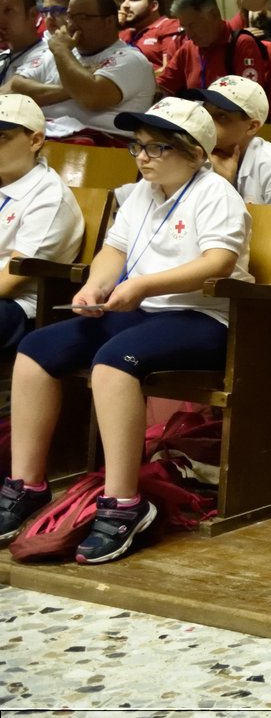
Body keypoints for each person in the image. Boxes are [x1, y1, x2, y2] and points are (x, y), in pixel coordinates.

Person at [0, 98, 252, 561]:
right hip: (137, 308)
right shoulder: (138, 192)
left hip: (201, 317)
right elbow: (113, 251)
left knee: (113, 363)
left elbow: (219, 262)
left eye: (158, 148)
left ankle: (122, 502)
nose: (144, 157)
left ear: (195, 152)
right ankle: (26, 483)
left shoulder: (216, 194)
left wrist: (143, 285)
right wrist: (95, 288)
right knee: (37, 350)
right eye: (138, 148)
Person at [0, 94, 86, 379]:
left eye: (2, 137)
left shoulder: (48, 196)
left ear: (35, 140)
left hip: (19, 309)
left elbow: (12, 280)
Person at [4, 0, 156, 145]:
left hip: (103, 149)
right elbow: (17, 87)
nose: (72, 25)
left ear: (109, 21)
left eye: (83, 17)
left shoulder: (131, 59)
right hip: (43, 140)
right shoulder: (58, 52)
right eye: (70, 17)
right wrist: (70, 90)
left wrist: (62, 52)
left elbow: (90, 97)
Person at [185, 75, 271, 227]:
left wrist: (226, 187)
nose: (206, 122)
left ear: (252, 127)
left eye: (221, 116)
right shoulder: (199, 154)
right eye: (205, 112)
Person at [158, 0, 271, 107]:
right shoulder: (188, 48)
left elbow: (250, 102)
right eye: (185, 27)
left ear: (214, 14)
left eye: (193, 25)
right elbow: (163, 87)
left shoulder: (241, 43)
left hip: (230, 121)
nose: (189, 34)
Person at [118, 0, 182, 70]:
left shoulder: (168, 26)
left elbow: (170, 71)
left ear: (153, 6)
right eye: (122, 0)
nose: (125, 5)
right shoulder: (123, 33)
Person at [0, 0, 44, 87]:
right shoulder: (3, 57)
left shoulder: (50, 55)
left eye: (8, 11)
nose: (0, 19)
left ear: (33, 14)